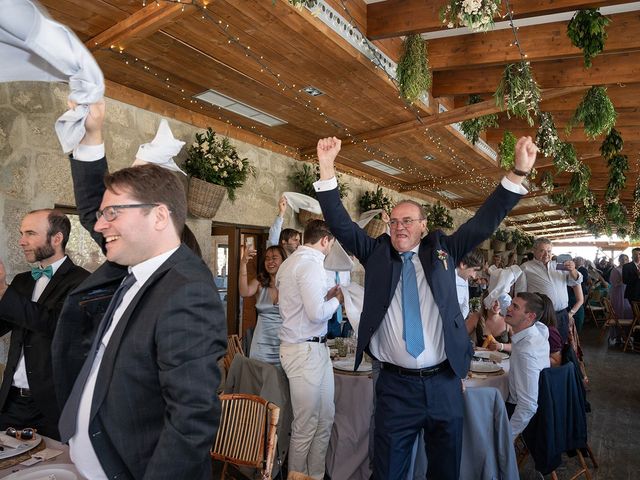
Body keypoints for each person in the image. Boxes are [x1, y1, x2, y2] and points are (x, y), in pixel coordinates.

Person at [314, 135, 537, 479]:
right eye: (394, 222)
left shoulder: (444, 251)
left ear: (422, 226)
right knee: (387, 472)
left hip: (443, 384)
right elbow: (341, 225)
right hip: (394, 388)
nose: (399, 227)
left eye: (407, 222)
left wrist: (519, 172)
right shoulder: (376, 255)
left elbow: (485, 220)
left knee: (445, 470)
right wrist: (327, 168)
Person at [53, 100, 226, 479]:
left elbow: (191, 421)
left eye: (113, 213)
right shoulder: (130, 266)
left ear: (159, 215)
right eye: (103, 214)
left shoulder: (187, 291)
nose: (99, 225)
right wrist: (92, 136)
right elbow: (89, 211)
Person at [0, 210, 89, 439]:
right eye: (21, 233)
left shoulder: (82, 282)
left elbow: (54, 325)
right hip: (11, 402)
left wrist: (3, 291)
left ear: (56, 238)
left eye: (30, 233)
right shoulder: (21, 281)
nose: (21, 241)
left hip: (53, 405)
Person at [277, 219, 342, 479]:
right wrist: (338, 299)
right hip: (303, 351)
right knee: (306, 424)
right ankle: (296, 475)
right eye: (332, 243)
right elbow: (316, 314)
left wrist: (327, 297)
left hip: (315, 349)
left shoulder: (292, 262)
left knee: (325, 418)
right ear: (325, 240)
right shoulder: (310, 264)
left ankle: (314, 475)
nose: (331, 248)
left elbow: (304, 305)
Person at [514, 238, 582, 344]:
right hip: (541, 315)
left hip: (562, 314)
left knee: (561, 346)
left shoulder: (559, 266)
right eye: (542, 251)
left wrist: (573, 270)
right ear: (534, 250)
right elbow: (520, 294)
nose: (546, 254)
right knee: (542, 345)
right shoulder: (525, 268)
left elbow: (577, 280)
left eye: (549, 251)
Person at [504, 292, 550, 439]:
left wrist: (505, 439)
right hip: (541, 401)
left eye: (515, 307)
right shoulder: (539, 329)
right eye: (511, 303)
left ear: (530, 316)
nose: (508, 308)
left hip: (519, 411)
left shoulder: (526, 352)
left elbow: (528, 406)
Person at [239, 244, 287, 366]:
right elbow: (244, 292)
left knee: (281, 382)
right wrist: (243, 263)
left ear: (283, 261)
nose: (270, 262)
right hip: (261, 343)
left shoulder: (291, 284)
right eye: (267, 258)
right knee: (259, 380)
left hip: (285, 343)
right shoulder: (259, 282)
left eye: (274, 258)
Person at [536, 294, 563, 367]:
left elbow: (556, 362)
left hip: (545, 373)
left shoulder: (551, 332)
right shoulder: (533, 327)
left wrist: (533, 357)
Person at [610, 254, 632, 320]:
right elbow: (614, 283)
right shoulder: (615, 270)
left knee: (629, 308)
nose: (624, 261)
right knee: (620, 308)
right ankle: (619, 326)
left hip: (628, 290)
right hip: (618, 292)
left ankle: (628, 327)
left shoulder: (629, 269)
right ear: (619, 260)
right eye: (622, 259)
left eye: (625, 259)